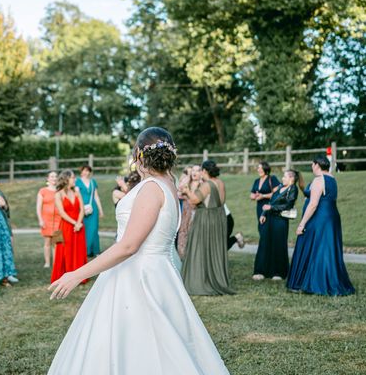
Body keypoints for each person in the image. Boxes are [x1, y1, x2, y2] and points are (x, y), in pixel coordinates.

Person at [48, 127, 230, 374]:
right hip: (159, 273)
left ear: (138, 154)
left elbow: (129, 246)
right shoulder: (169, 182)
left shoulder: (152, 188)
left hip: (138, 276)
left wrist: (77, 274)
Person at [286, 155, 355, 296]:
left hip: (320, 218)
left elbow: (313, 204)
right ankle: (328, 280)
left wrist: (302, 224)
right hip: (332, 217)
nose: (312, 167)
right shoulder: (332, 178)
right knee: (327, 248)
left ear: (316, 165)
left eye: (312, 164)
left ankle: (310, 282)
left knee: (311, 244)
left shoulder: (319, 180)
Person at [181, 160, 235, 296]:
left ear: (205, 171)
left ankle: (202, 280)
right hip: (218, 217)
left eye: (201, 170)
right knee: (214, 248)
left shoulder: (206, 185)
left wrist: (187, 191)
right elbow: (221, 201)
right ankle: (215, 278)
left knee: (200, 247)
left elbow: (194, 200)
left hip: (205, 218)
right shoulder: (220, 182)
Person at [252, 170, 300, 281]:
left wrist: (272, 208)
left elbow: (288, 205)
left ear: (291, 178)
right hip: (269, 218)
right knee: (264, 242)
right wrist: (264, 213)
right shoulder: (279, 187)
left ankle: (278, 272)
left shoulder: (293, 189)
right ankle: (261, 271)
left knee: (278, 244)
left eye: (285, 176)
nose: (282, 178)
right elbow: (271, 202)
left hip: (280, 220)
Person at [50, 170, 88, 284]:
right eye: (73, 177)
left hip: (79, 225)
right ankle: (66, 275)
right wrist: (74, 223)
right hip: (67, 226)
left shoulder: (76, 192)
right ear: (66, 179)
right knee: (66, 250)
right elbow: (62, 213)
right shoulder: (58, 194)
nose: (75, 179)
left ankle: (79, 276)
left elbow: (82, 208)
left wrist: (79, 222)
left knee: (79, 249)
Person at [75, 165, 105, 257]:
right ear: (81, 171)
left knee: (94, 229)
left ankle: (95, 250)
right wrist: (80, 207)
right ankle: (86, 251)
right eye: (84, 170)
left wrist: (100, 210)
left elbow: (96, 196)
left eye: (88, 171)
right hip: (81, 208)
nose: (86, 172)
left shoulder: (93, 182)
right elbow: (76, 194)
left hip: (93, 208)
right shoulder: (77, 181)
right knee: (84, 229)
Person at [177, 164, 201, 257]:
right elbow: (178, 193)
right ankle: (184, 259)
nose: (194, 172)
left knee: (194, 238)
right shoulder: (188, 182)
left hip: (196, 214)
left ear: (201, 172)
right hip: (186, 213)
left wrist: (187, 194)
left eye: (197, 170)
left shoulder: (202, 184)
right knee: (183, 236)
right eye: (193, 170)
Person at [36, 171, 59, 268]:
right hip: (46, 220)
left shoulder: (59, 190)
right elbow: (38, 207)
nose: (54, 178)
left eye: (55, 176)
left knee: (56, 243)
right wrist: (40, 220)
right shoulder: (42, 191)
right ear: (48, 178)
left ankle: (55, 263)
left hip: (58, 220)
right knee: (47, 242)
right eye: (52, 176)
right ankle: (47, 262)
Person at [250, 161, 280, 234]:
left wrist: (263, 196)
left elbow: (277, 194)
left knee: (268, 229)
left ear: (266, 169)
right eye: (258, 168)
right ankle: (263, 244)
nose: (259, 170)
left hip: (270, 207)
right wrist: (255, 196)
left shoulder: (272, 178)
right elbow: (251, 195)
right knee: (261, 228)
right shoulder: (256, 181)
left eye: (261, 168)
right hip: (260, 207)